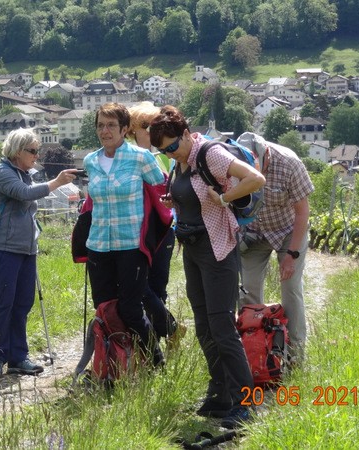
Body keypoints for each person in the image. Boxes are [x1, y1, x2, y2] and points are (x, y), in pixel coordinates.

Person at [149, 105, 265, 429]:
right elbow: (191, 196)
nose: (170, 153)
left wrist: (225, 199)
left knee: (222, 327)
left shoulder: (209, 154)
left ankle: (246, 403)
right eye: (164, 150)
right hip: (193, 250)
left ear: (186, 134)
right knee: (203, 327)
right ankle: (220, 394)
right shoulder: (181, 160)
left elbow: (255, 178)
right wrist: (175, 201)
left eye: (173, 146)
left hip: (218, 250)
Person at [0, 128, 79, 377]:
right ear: (18, 151)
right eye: (33, 151)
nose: (37, 155)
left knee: (23, 303)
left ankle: (18, 357)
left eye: (38, 151)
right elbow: (24, 194)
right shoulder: (2, 173)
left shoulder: (25, 174)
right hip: (4, 248)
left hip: (27, 249)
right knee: (4, 302)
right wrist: (57, 182)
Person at [83, 102, 166, 368]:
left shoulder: (141, 158)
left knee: (130, 309)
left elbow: (162, 193)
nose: (104, 131)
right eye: (100, 125)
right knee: (105, 309)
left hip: (131, 245)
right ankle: (114, 366)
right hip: (98, 246)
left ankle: (155, 361)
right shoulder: (90, 161)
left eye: (111, 125)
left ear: (124, 129)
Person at [236, 132, 314, 365]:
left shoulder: (290, 163)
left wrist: (292, 254)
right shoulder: (233, 161)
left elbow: (302, 212)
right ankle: (254, 352)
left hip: (287, 231)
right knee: (247, 291)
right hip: (254, 233)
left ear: (266, 155)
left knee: (290, 289)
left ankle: (295, 355)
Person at [127, 102, 181, 347]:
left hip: (162, 228)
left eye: (155, 126)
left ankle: (154, 344)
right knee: (140, 285)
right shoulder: (128, 155)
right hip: (137, 230)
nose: (152, 131)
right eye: (146, 126)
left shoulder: (165, 155)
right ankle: (170, 329)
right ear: (133, 130)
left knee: (157, 285)